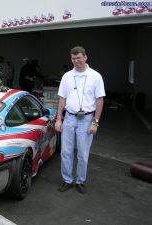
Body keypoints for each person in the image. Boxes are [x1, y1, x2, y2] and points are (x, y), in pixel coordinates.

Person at [55, 46, 105, 194]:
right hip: (69, 118)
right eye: (73, 58)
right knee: (66, 152)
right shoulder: (67, 77)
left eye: (79, 57)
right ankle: (67, 180)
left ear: (85, 57)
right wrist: (59, 119)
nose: (76, 61)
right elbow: (62, 99)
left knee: (83, 153)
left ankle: (80, 181)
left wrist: (95, 123)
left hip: (87, 119)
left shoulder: (95, 76)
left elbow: (99, 100)